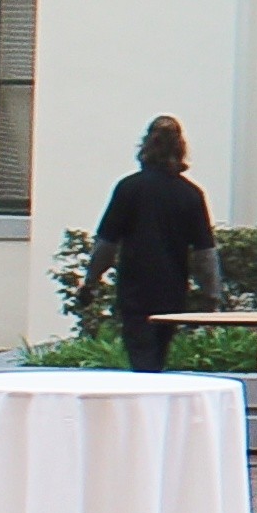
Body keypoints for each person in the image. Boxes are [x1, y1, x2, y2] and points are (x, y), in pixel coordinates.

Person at [78, 116, 223, 373]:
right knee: (158, 356)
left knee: (141, 358)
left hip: (135, 292)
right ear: (180, 148)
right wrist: (211, 296)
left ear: (146, 146)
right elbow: (205, 253)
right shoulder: (191, 194)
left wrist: (90, 282)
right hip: (172, 292)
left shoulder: (128, 189)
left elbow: (106, 245)